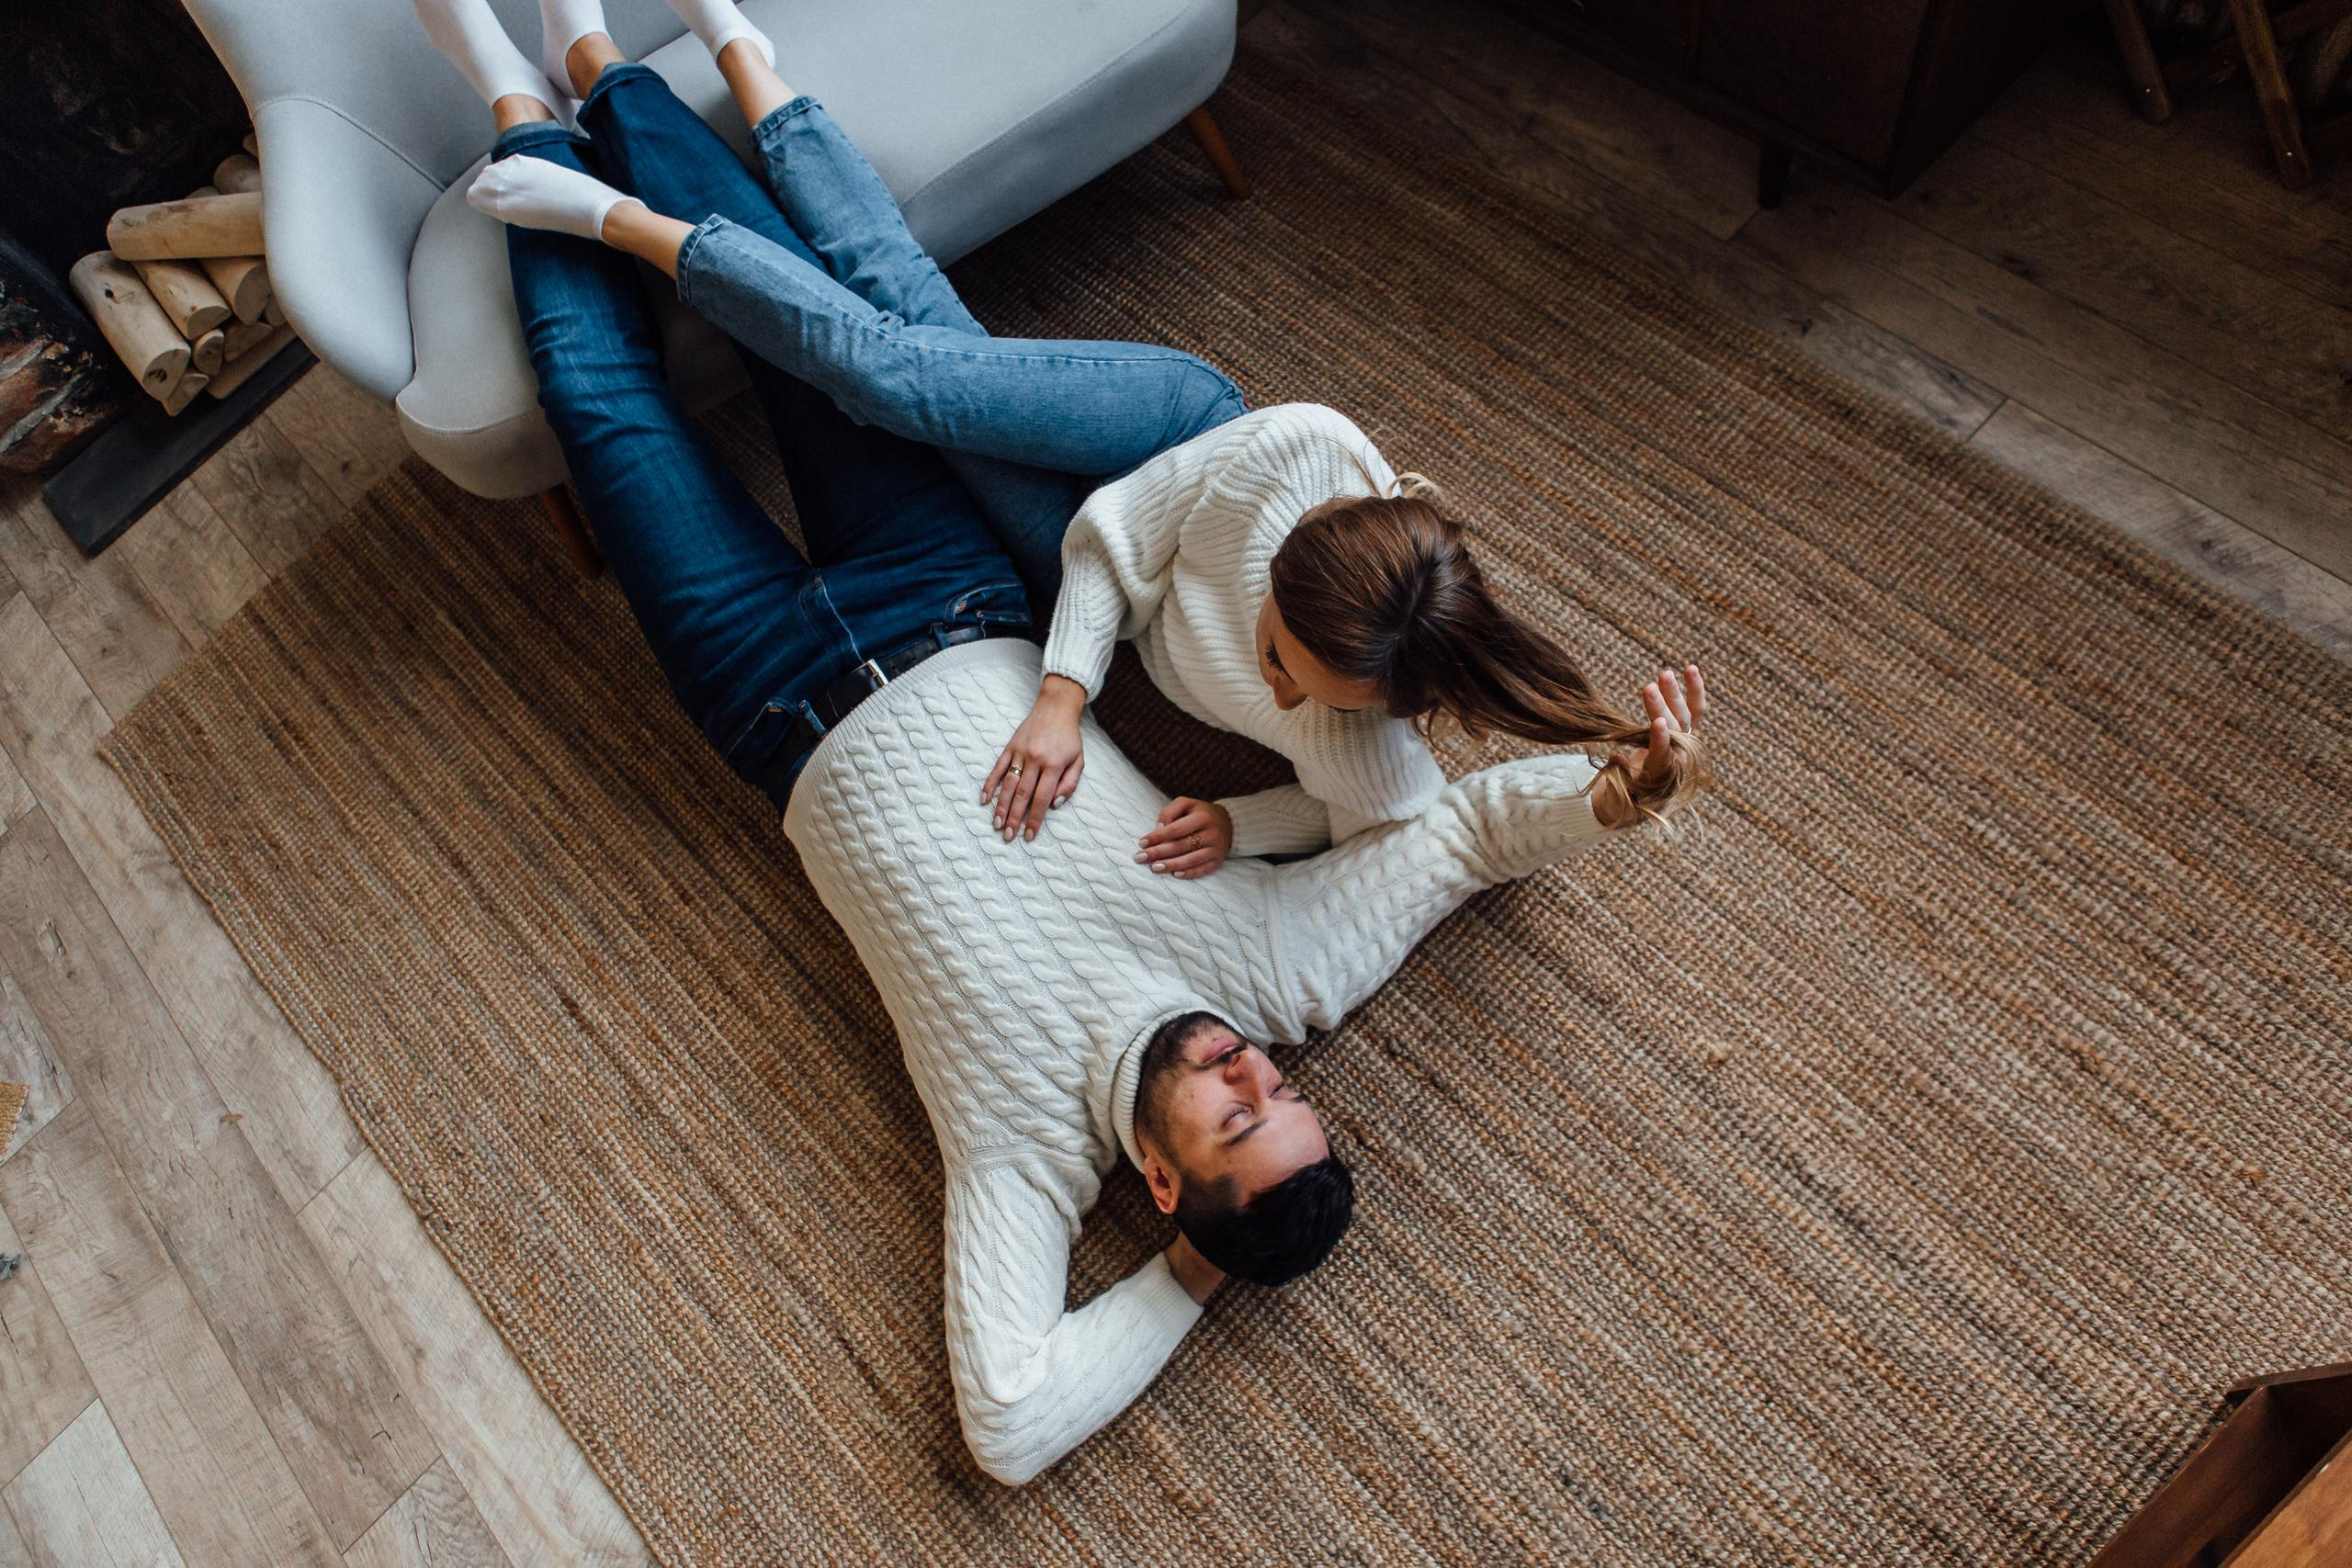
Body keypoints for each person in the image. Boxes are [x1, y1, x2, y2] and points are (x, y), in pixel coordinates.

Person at [413, 0, 1712, 1483]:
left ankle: (517, 102)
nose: (1252, 1075)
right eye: (1284, 1097)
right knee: (813, 357)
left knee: (607, 407)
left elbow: (1011, 1422)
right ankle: (598, 62)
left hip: (767, 694)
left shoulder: (1026, 1156)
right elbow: (1464, 834)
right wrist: (1618, 797)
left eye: (1239, 1123)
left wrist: (1196, 1279)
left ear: (1161, 1183)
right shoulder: (1283, 979)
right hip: (950, 595)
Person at [424, 0, 1713, 884]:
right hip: (1160, 476)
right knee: (896, 374)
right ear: (1282, 584)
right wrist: (1061, 695)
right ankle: (621, 219)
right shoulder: (1295, 452)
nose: (1270, 696)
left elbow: (1432, 826)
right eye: (1276, 656)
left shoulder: (1367, 729)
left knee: (903, 301)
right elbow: (1115, 536)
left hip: (1115, 567)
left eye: (1304, 696)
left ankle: (663, 61)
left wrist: (1613, 797)